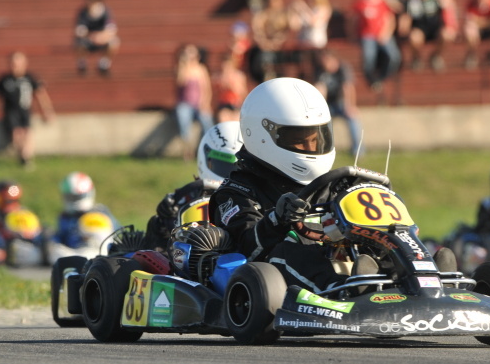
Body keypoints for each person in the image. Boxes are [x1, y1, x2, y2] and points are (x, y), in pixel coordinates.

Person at [208, 77, 346, 292]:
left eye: (316, 139)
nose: (311, 147)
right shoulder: (237, 192)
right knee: (286, 252)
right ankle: (342, 292)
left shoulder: (331, 186)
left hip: (337, 262)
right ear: (261, 136)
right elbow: (247, 249)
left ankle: (396, 281)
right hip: (271, 287)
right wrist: (276, 220)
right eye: (299, 140)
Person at [144, 120, 243, 250]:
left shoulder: (256, 201)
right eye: (224, 166)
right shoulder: (184, 199)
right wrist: (165, 221)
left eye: (238, 169)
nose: (229, 174)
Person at [0, 51, 55, 166]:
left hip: (25, 111)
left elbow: (41, 95)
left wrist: (47, 111)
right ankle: (23, 157)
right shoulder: (5, 80)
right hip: (11, 112)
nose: (15, 66)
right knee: (16, 135)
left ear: (24, 64)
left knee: (27, 134)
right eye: (13, 63)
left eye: (18, 63)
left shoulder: (30, 78)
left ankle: (25, 158)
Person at [351, 0, 400, 94]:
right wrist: (352, 35)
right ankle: (372, 80)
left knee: (394, 57)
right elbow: (352, 20)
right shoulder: (360, 2)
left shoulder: (384, 0)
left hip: (383, 34)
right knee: (369, 57)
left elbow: (392, 16)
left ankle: (381, 78)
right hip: (367, 35)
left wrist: (386, 33)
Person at [314, 49, 363, 158]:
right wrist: (320, 109)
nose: (324, 63)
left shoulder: (343, 68)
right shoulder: (320, 70)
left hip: (342, 103)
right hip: (328, 105)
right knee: (321, 124)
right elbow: (320, 88)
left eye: (326, 60)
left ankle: (357, 150)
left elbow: (348, 88)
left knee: (353, 119)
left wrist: (350, 106)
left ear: (332, 59)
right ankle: (323, 149)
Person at [53, 171, 118, 250]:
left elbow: (116, 236)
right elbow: (60, 239)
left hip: (96, 252)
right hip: (70, 253)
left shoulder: (100, 214)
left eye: (77, 197)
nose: (75, 201)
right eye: (71, 197)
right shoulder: (65, 218)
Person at [402, 0, 451, 72]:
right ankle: (417, 57)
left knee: (447, 35)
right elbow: (406, 17)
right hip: (419, 29)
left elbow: (447, 7)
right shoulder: (411, 0)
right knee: (414, 37)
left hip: (435, 28)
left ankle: (436, 56)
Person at [174, 43, 214, 159]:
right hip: (185, 103)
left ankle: (208, 149)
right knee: (183, 118)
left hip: (199, 103)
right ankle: (187, 150)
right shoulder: (181, 68)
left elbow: (207, 89)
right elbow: (180, 81)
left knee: (207, 121)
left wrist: (205, 103)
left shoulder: (201, 69)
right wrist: (184, 64)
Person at [73, 0, 120, 76]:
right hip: (87, 39)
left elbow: (111, 29)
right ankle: (82, 64)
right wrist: (91, 36)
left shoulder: (106, 12)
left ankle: (103, 64)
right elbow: (79, 30)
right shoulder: (83, 12)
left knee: (114, 41)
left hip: (102, 39)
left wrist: (101, 36)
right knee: (78, 42)